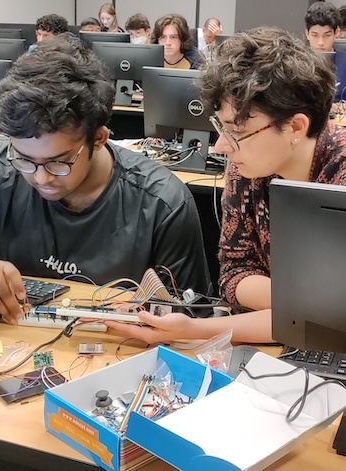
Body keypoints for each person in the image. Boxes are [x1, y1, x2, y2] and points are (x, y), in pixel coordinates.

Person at [105, 26, 346, 344]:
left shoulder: (339, 172)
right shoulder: (246, 166)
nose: (221, 146)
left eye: (237, 130)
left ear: (295, 126)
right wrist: (315, 306)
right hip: (271, 343)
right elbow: (233, 275)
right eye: (221, 126)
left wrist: (196, 330)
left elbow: (336, 319)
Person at [0, 33, 211, 324]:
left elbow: (191, 319)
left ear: (98, 139)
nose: (40, 177)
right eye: (24, 159)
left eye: (59, 162)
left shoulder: (162, 203)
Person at [305, 1, 346, 102]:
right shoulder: (296, 62)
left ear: (336, 33)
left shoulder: (344, 62)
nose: (320, 42)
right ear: (307, 34)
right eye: (315, 35)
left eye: (327, 35)